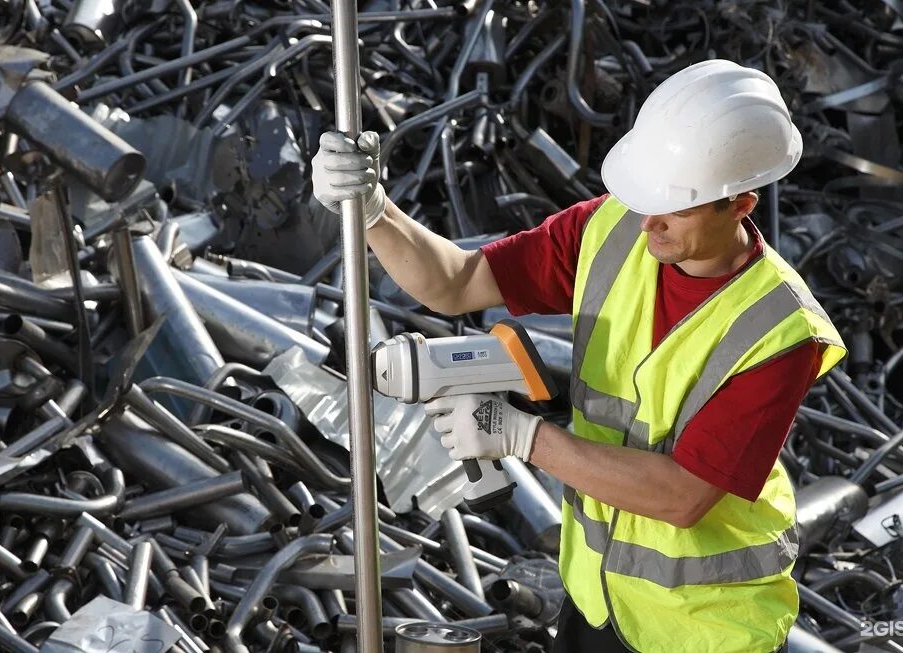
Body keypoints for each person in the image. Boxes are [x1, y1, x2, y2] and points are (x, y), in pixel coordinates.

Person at [312, 59, 847, 653]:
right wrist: (374, 212)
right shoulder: (613, 229)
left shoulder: (779, 330)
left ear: (740, 204)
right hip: (596, 604)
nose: (650, 220)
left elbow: (682, 496)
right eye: (647, 195)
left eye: (676, 205)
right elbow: (458, 283)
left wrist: (521, 437)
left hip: (706, 630)